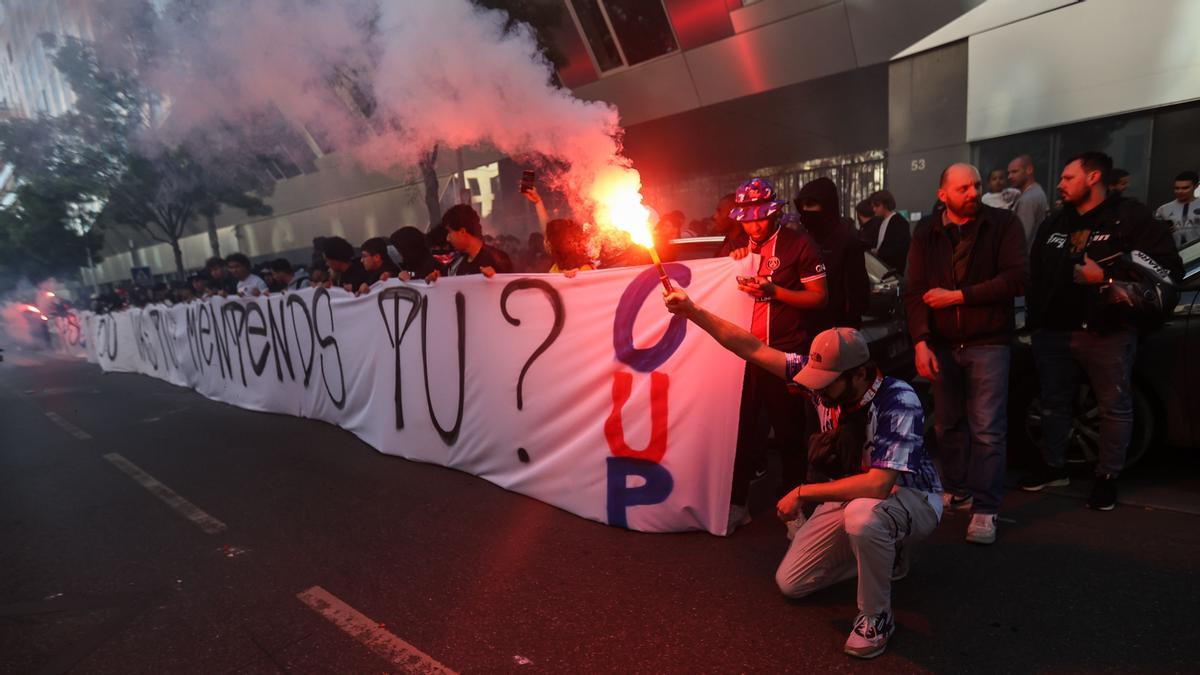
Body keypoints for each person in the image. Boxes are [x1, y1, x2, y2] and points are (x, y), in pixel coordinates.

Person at [663, 291, 942, 659]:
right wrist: (694, 311)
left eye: (827, 382)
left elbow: (879, 484)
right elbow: (750, 348)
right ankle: (885, 556)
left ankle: (876, 618)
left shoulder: (897, 399)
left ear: (859, 374)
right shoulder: (824, 383)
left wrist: (803, 492)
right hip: (851, 494)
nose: (817, 389)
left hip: (909, 497)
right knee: (792, 583)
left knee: (863, 518)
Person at [1022, 152, 1182, 510]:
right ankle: (1054, 466)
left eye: (1067, 177)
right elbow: (1035, 271)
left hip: (1107, 333)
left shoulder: (1131, 217)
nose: (1060, 184)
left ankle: (1107, 476)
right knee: (1053, 403)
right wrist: (1036, 319)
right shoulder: (1055, 221)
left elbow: (1167, 271)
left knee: (1114, 407)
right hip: (1053, 332)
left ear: (1093, 177)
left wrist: (1107, 280)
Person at [905, 163, 1027, 545]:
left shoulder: (1003, 224)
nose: (973, 193)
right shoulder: (926, 232)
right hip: (941, 342)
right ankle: (957, 489)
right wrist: (920, 341)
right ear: (943, 194)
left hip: (988, 340)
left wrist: (960, 296)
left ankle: (986, 509)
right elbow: (914, 290)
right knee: (947, 424)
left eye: (976, 185)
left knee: (988, 428)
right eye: (963, 188)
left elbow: (1017, 278)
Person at [724, 177, 828, 532]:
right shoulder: (735, 245)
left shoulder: (799, 244)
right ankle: (737, 503)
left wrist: (775, 290)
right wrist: (732, 264)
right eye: (747, 218)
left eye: (761, 216)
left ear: (774, 212)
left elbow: (818, 297)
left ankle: (794, 509)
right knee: (742, 433)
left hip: (783, 353)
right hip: (742, 356)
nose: (754, 224)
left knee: (788, 434)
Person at [795, 177, 870, 329]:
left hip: (838, 328)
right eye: (802, 206)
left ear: (827, 205)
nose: (805, 211)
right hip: (803, 328)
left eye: (810, 204)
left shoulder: (847, 241)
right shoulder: (800, 239)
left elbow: (857, 293)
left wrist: (848, 328)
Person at [440, 204, 513, 278]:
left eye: (449, 232)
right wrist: (436, 280)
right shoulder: (456, 261)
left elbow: (509, 286)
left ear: (462, 231)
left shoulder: (497, 260)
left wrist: (495, 278)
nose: (447, 238)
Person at [1007, 154, 1050, 250]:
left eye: (1014, 172)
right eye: (1009, 173)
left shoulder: (1028, 199)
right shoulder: (1037, 192)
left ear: (1029, 170)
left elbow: (1021, 237)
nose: (1010, 176)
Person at [1153, 170, 1200, 248]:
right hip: (1173, 254)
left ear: (1196, 186)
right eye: (1177, 188)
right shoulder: (1163, 209)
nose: (1180, 191)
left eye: (1185, 188)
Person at [867, 190, 910, 274]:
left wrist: (879, 252)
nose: (874, 209)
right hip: (883, 271)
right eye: (873, 206)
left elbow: (898, 249)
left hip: (892, 272)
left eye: (877, 206)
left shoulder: (899, 222)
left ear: (885, 205)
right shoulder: (881, 221)